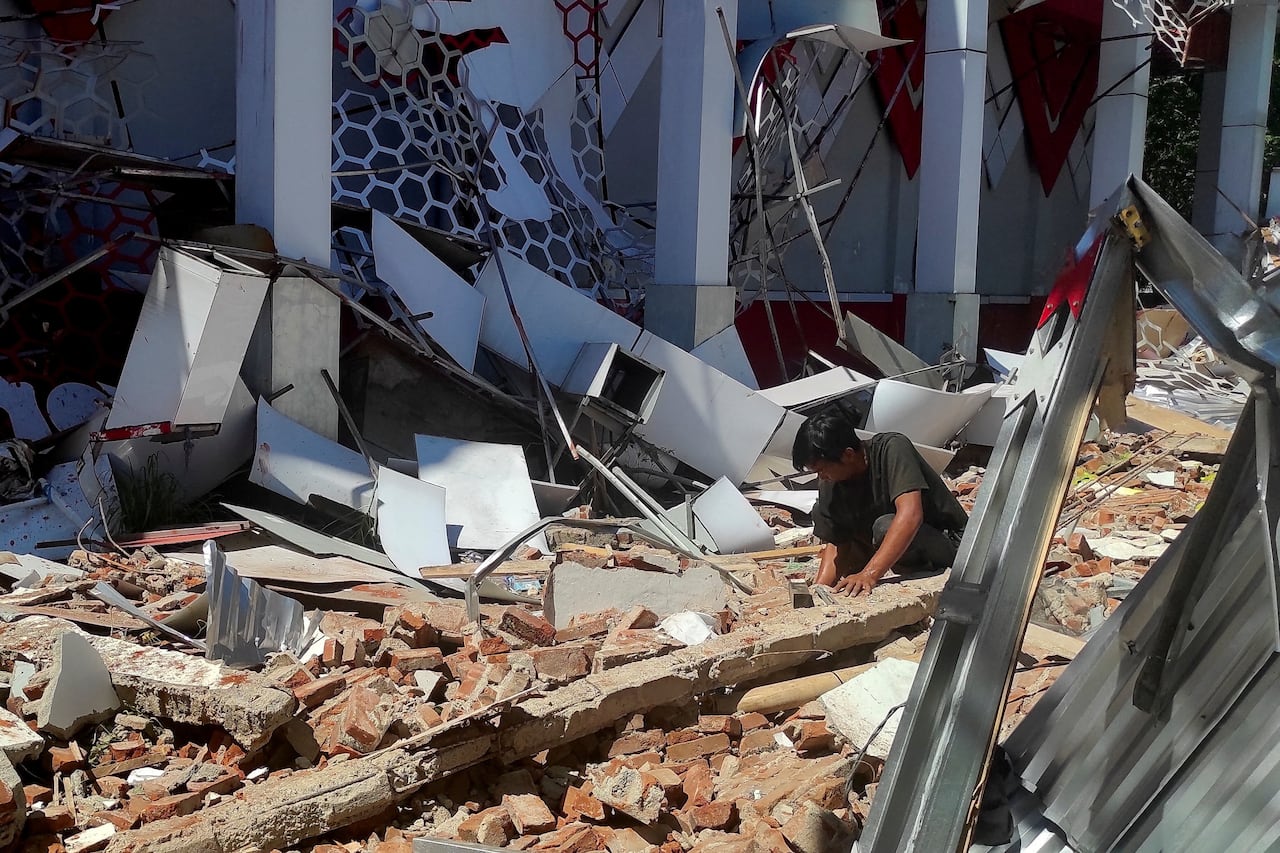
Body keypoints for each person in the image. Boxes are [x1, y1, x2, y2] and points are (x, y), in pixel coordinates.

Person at [791, 408, 968, 596]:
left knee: (885, 526)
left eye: (822, 470)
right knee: (822, 511)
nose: (821, 477)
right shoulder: (831, 483)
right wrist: (819, 589)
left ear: (848, 455)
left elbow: (911, 515)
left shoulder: (892, 448)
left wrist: (869, 574)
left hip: (948, 543)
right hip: (892, 544)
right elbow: (837, 544)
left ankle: (918, 582)